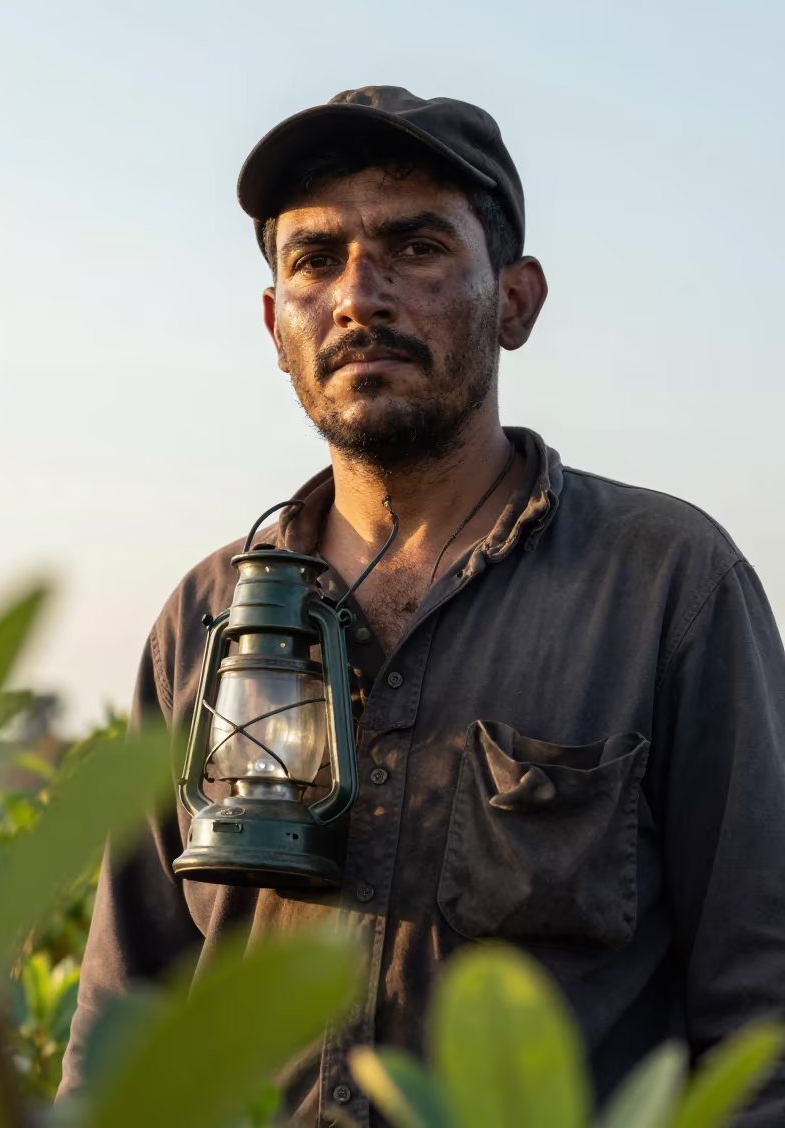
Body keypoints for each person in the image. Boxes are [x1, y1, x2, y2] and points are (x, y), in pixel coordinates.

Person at [60, 86, 785, 1125]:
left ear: (516, 300)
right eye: (314, 259)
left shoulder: (666, 583)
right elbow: (121, 1027)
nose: (359, 295)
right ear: (275, 324)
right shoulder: (204, 619)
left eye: (414, 247)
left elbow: (760, 1026)